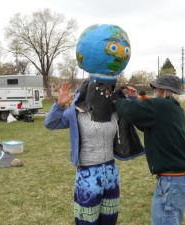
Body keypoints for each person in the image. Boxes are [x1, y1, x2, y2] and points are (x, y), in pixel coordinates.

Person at [44, 24, 143, 225]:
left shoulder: (116, 108)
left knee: (109, 220)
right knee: (87, 222)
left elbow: (136, 120)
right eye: (102, 88)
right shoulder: (77, 111)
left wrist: (131, 101)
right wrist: (59, 104)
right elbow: (51, 124)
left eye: (109, 89)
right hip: (88, 177)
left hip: (111, 173)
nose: (105, 92)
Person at [115, 74, 185, 225]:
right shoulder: (174, 109)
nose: (154, 92)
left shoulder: (161, 106)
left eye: (156, 89)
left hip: (173, 182)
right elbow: (142, 122)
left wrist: (116, 99)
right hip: (173, 180)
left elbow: (130, 111)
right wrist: (131, 99)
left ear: (163, 91)